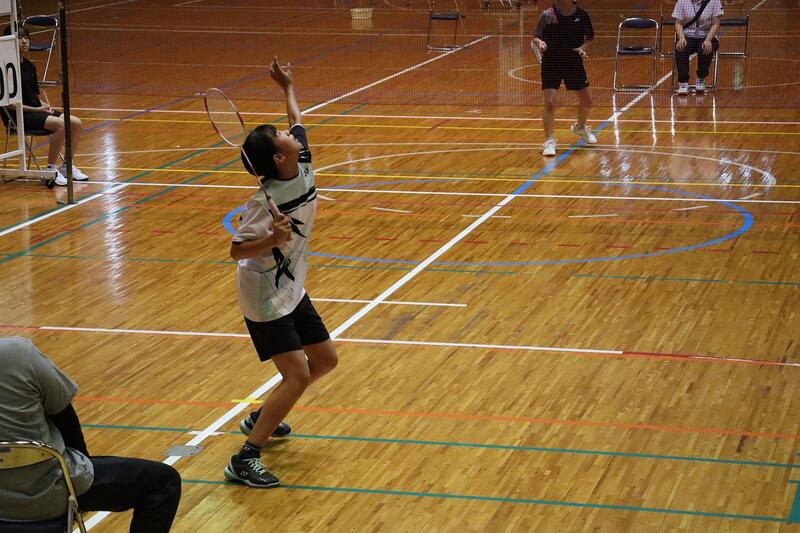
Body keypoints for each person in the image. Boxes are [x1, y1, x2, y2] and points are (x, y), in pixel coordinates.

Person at [224, 56, 338, 488]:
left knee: (325, 360)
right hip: (263, 294)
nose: (292, 134)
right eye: (283, 136)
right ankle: (245, 457)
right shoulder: (261, 205)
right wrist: (271, 240)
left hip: (291, 284)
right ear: (278, 156)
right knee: (297, 374)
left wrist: (287, 86)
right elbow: (236, 250)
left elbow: (296, 119)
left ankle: (263, 417)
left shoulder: (301, 159)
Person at [0, 337, 181, 532]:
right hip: (50, 494)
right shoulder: (17, 353)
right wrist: (82, 465)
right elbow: (65, 417)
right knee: (163, 482)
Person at [2, 25, 89, 185]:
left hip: (36, 111)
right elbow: (9, 106)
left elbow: (33, 96)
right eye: (19, 37)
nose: (24, 41)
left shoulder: (30, 66)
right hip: (18, 116)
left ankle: (67, 166)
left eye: (26, 37)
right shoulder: (5, 69)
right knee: (61, 125)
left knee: (76, 123)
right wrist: (37, 109)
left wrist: (44, 105)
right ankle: (50, 169)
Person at [531, 0, 597, 156]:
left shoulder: (582, 15)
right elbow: (535, 37)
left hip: (573, 61)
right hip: (551, 62)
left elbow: (590, 37)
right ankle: (549, 140)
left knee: (587, 101)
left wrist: (582, 48)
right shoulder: (548, 15)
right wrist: (540, 43)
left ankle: (580, 128)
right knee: (550, 103)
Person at [672, 0, 723, 95]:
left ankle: (701, 78)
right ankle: (683, 83)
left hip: (707, 35)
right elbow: (678, 23)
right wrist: (681, 38)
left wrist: (708, 40)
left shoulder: (714, 1)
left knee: (705, 48)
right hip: (687, 35)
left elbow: (715, 24)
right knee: (681, 48)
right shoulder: (682, 1)